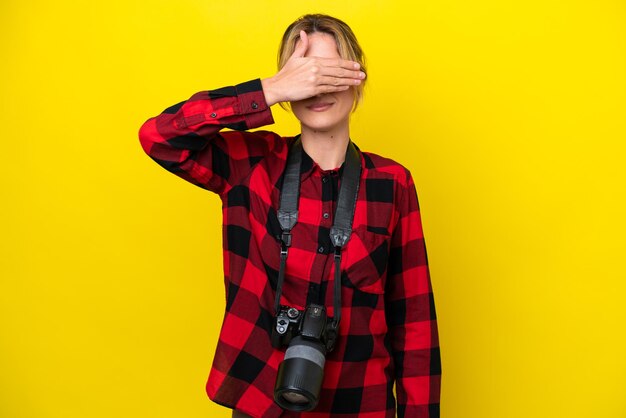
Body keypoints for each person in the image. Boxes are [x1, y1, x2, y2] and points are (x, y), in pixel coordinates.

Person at [138, 13, 440, 418]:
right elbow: (159, 137)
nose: (316, 87)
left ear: (357, 78)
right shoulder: (250, 165)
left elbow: (415, 321)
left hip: (360, 402)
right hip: (262, 399)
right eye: (305, 73)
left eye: (328, 72)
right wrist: (269, 89)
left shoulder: (393, 182)